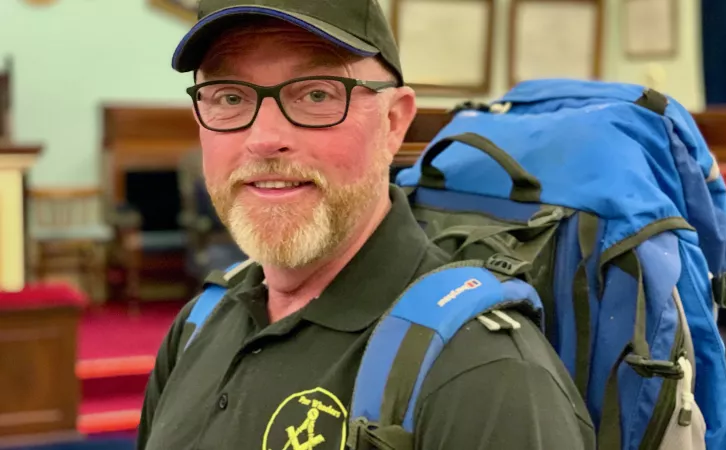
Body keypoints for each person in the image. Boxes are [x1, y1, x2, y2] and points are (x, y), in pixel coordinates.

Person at [137, 1, 595, 449]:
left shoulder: (485, 372)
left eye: (317, 94)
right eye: (230, 97)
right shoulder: (198, 325)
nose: (264, 139)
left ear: (394, 122)